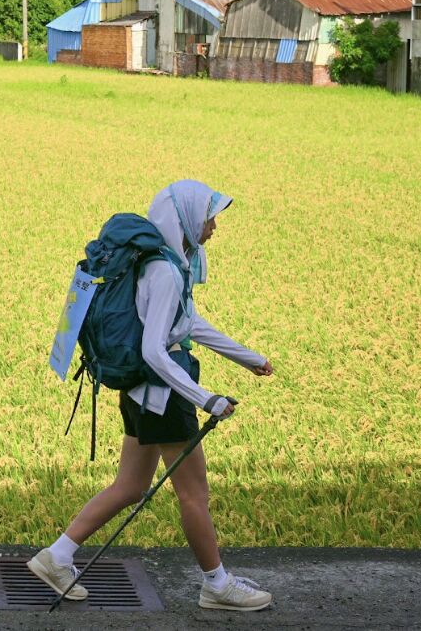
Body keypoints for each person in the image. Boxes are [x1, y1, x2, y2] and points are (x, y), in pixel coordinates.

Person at [28, 180, 275, 611]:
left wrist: (249, 358)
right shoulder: (162, 272)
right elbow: (154, 351)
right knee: (194, 495)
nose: (214, 226)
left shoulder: (164, 265)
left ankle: (57, 556)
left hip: (142, 394)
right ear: (184, 219)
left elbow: (190, 324)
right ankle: (216, 585)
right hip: (163, 395)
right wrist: (205, 399)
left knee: (130, 485)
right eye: (209, 216)